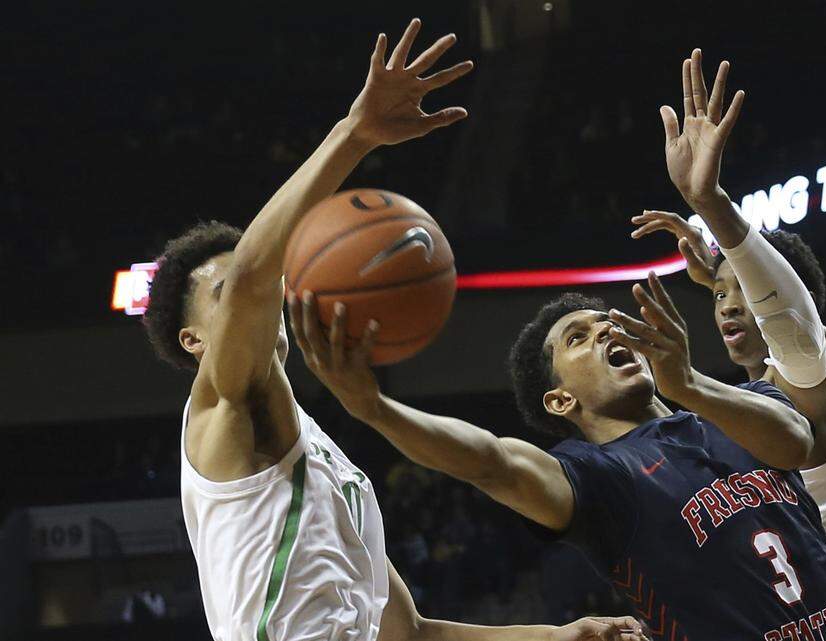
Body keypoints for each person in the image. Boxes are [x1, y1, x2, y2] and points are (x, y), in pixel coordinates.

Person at [288, 50, 826, 641]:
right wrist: (373, 408)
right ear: (558, 402)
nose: (607, 329)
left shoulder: (736, 410)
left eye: (606, 320)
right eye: (577, 338)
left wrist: (689, 376)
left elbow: (796, 437)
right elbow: (490, 461)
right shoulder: (598, 478)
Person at [143, 19, 646, 641]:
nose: (268, 289)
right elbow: (250, 272)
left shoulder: (330, 464)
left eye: (273, 280)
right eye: (226, 295)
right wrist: (354, 135)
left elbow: (410, 632)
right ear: (195, 341)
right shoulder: (220, 409)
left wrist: (561, 635)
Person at [628, 47, 826, 641]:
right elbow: (802, 317)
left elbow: (792, 319)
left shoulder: (801, 382)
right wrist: (720, 276)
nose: (724, 305)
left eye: (741, 294)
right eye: (718, 297)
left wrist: (712, 206)